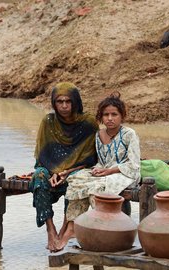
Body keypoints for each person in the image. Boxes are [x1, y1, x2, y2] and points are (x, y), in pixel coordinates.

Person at [57, 91, 141, 250]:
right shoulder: (98, 134)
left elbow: (134, 164)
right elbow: (101, 162)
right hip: (104, 172)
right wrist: (98, 170)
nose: (110, 118)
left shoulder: (130, 134)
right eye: (106, 115)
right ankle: (73, 227)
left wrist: (109, 171)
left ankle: (102, 227)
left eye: (114, 114)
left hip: (125, 173)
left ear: (121, 116)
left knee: (98, 187)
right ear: (100, 117)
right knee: (77, 179)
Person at [30, 82, 99, 252]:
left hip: (78, 170)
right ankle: (50, 229)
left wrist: (67, 172)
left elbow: (91, 159)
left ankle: (65, 228)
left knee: (77, 180)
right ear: (54, 103)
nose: (64, 106)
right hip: (52, 170)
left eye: (68, 101)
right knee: (38, 176)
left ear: (76, 102)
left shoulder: (88, 123)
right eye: (59, 102)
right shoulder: (48, 121)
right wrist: (54, 172)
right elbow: (42, 157)